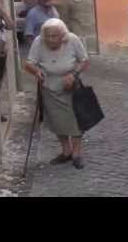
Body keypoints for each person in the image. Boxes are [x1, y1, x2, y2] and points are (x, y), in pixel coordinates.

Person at [25, 18, 89, 169]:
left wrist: (74, 74)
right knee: (57, 121)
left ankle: (77, 153)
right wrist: (37, 71)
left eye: (54, 36)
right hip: (49, 88)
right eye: (47, 36)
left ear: (63, 36)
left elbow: (84, 61)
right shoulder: (38, 42)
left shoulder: (72, 40)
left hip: (72, 86)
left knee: (76, 121)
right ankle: (66, 151)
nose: (50, 39)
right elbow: (29, 64)